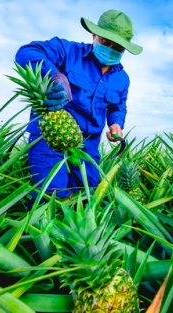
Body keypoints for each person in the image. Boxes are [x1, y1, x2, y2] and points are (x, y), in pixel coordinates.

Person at [15, 9, 142, 198]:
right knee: (50, 193)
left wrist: (116, 123)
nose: (111, 49)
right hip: (49, 137)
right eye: (106, 42)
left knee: (87, 192)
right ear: (94, 35)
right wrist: (54, 75)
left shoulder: (122, 78)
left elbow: (118, 106)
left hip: (88, 143)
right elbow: (26, 52)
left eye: (118, 47)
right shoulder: (68, 51)